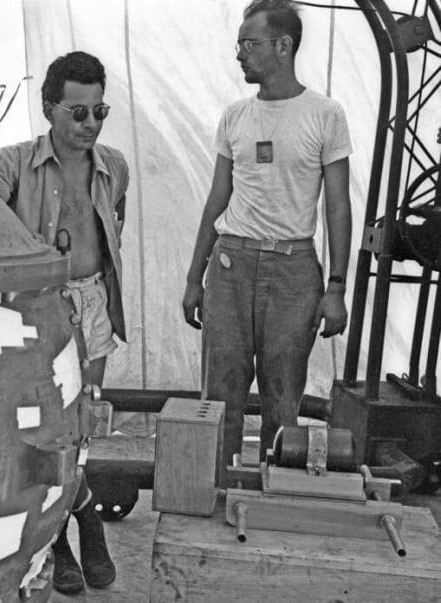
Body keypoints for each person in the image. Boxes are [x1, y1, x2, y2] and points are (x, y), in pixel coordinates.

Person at [0, 51, 127, 594]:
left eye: (99, 111)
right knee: (44, 432)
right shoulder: (14, 163)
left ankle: (72, 522)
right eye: (78, 113)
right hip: (41, 309)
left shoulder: (115, 165)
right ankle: (72, 530)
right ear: (49, 109)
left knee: (84, 424)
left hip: (92, 303)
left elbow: (112, 228)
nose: (90, 124)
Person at [182, 0, 352, 469]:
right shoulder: (235, 116)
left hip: (294, 271)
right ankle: (216, 496)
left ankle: (274, 498)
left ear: (284, 45)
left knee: (283, 398)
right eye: (239, 44)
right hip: (231, 264)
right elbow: (216, 202)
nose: (240, 54)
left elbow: (338, 206)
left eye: (250, 44)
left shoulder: (325, 114)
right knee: (220, 396)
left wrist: (335, 288)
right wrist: (194, 277)